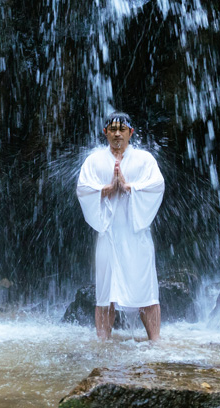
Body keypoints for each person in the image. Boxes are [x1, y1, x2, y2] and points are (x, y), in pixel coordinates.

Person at [76, 112, 166, 341]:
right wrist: (106, 189)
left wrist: (128, 187)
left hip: (136, 236)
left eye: (122, 129)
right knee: (106, 293)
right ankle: (102, 343)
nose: (117, 133)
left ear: (131, 133)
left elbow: (156, 186)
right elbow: (83, 189)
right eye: (113, 129)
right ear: (105, 132)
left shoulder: (145, 160)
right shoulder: (94, 161)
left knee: (147, 290)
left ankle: (155, 342)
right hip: (109, 236)